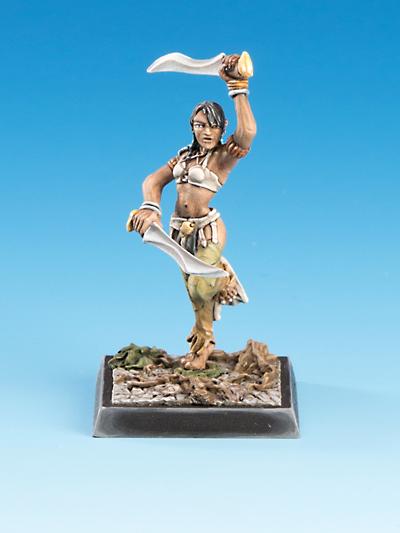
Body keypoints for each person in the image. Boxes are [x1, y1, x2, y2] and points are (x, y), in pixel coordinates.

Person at [126, 54, 257, 370]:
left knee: (201, 288)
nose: (206, 132)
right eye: (200, 125)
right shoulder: (184, 156)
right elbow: (153, 181)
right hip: (178, 233)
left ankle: (216, 303)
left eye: (212, 126)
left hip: (207, 230)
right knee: (194, 292)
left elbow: (248, 132)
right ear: (192, 127)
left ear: (222, 128)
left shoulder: (223, 156)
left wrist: (238, 87)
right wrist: (150, 208)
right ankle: (204, 336)